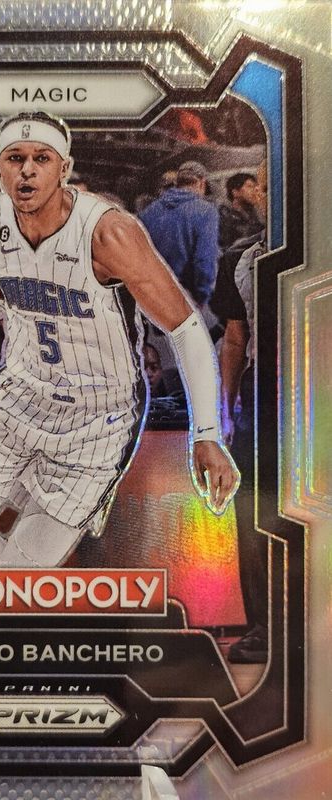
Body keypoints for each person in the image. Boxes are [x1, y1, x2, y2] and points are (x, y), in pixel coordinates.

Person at [0, 112, 238, 570]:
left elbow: (185, 328)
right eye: (15, 158)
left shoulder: (109, 232)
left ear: (64, 168)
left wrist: (206, 433)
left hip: (98, 418)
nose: (28, 170)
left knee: (22, 573)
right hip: (16, 401)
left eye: (42, 158)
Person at [212, 162, 268, 664]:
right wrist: (224, 411)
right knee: (254, 512)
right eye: (264, 188)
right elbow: (234, 338)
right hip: (260, 395)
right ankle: (264, 626)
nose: (267, 196)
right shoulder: (240, 258)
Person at [139, 161, 220, 311]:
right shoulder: (206, 211)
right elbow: (204, 260)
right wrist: (203, 297)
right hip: (184, 298)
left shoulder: (149, 211)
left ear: (177, 183)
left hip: (151, 298)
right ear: (202, 183)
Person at [218, 172, 264, 252]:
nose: (255, 190)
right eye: (250, 186)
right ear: (235, 192)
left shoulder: (255, 214)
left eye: (256, 186)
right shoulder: (223, 216)